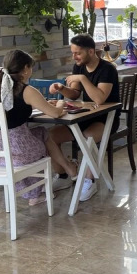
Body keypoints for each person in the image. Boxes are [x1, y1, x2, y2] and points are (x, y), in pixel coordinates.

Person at [0, 49, 78, 206]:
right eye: (31, 67)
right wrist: (60, 103)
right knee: (43, 136)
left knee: (39, 134)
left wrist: (43, 103)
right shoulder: (26, 90)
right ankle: (65, 171)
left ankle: (42, 186)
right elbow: (55, 113)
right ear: (25, 69)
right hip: (17, 154)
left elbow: (11, 108)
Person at [48, 33, 120, 202]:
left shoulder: (107, 69)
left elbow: (100, 98)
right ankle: (63, 176)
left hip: (106, 118)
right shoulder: (78, 66)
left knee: (88, 138)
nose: (74, 57)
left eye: (78, 53)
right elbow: (74, 94)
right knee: (50, 136)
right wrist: (61, 89)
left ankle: (89, 181)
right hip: (85, 116)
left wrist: (82, 78)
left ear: (91, 52)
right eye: (73, 53)